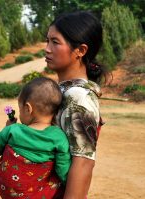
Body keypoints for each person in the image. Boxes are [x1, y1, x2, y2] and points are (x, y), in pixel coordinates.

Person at [45, 11, 106, 199]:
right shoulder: (64, 91)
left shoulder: (78, 97)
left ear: (80, 50)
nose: (47, 49)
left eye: (55, 42)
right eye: (47, 41)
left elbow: (83, 161)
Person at [0, 77, 71, 199]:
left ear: (28, 108)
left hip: (7, 193)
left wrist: (4, 130)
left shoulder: (13, 130)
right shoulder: (59, 137)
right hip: (36, 194)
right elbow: (63, 170)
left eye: (20, 108)